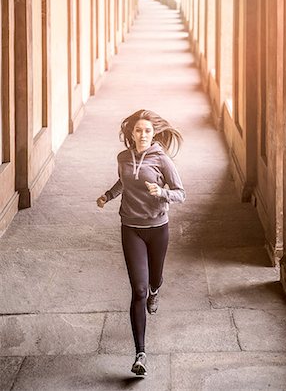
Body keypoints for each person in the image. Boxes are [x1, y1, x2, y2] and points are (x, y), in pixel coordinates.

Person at [96, 109, 185, 377]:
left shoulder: (162, 159)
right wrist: (108, 195)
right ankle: (140, 353)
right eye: (138, 130)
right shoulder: (123, 157)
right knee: (138, 290)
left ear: (154, 133)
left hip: (158, 229)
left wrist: (163, 192)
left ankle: (157, 290)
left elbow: (181, 193)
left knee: (153, 281)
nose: (143, 134)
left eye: (147, 130)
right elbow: (124, 181)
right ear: (131, 133)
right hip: (130, 228)